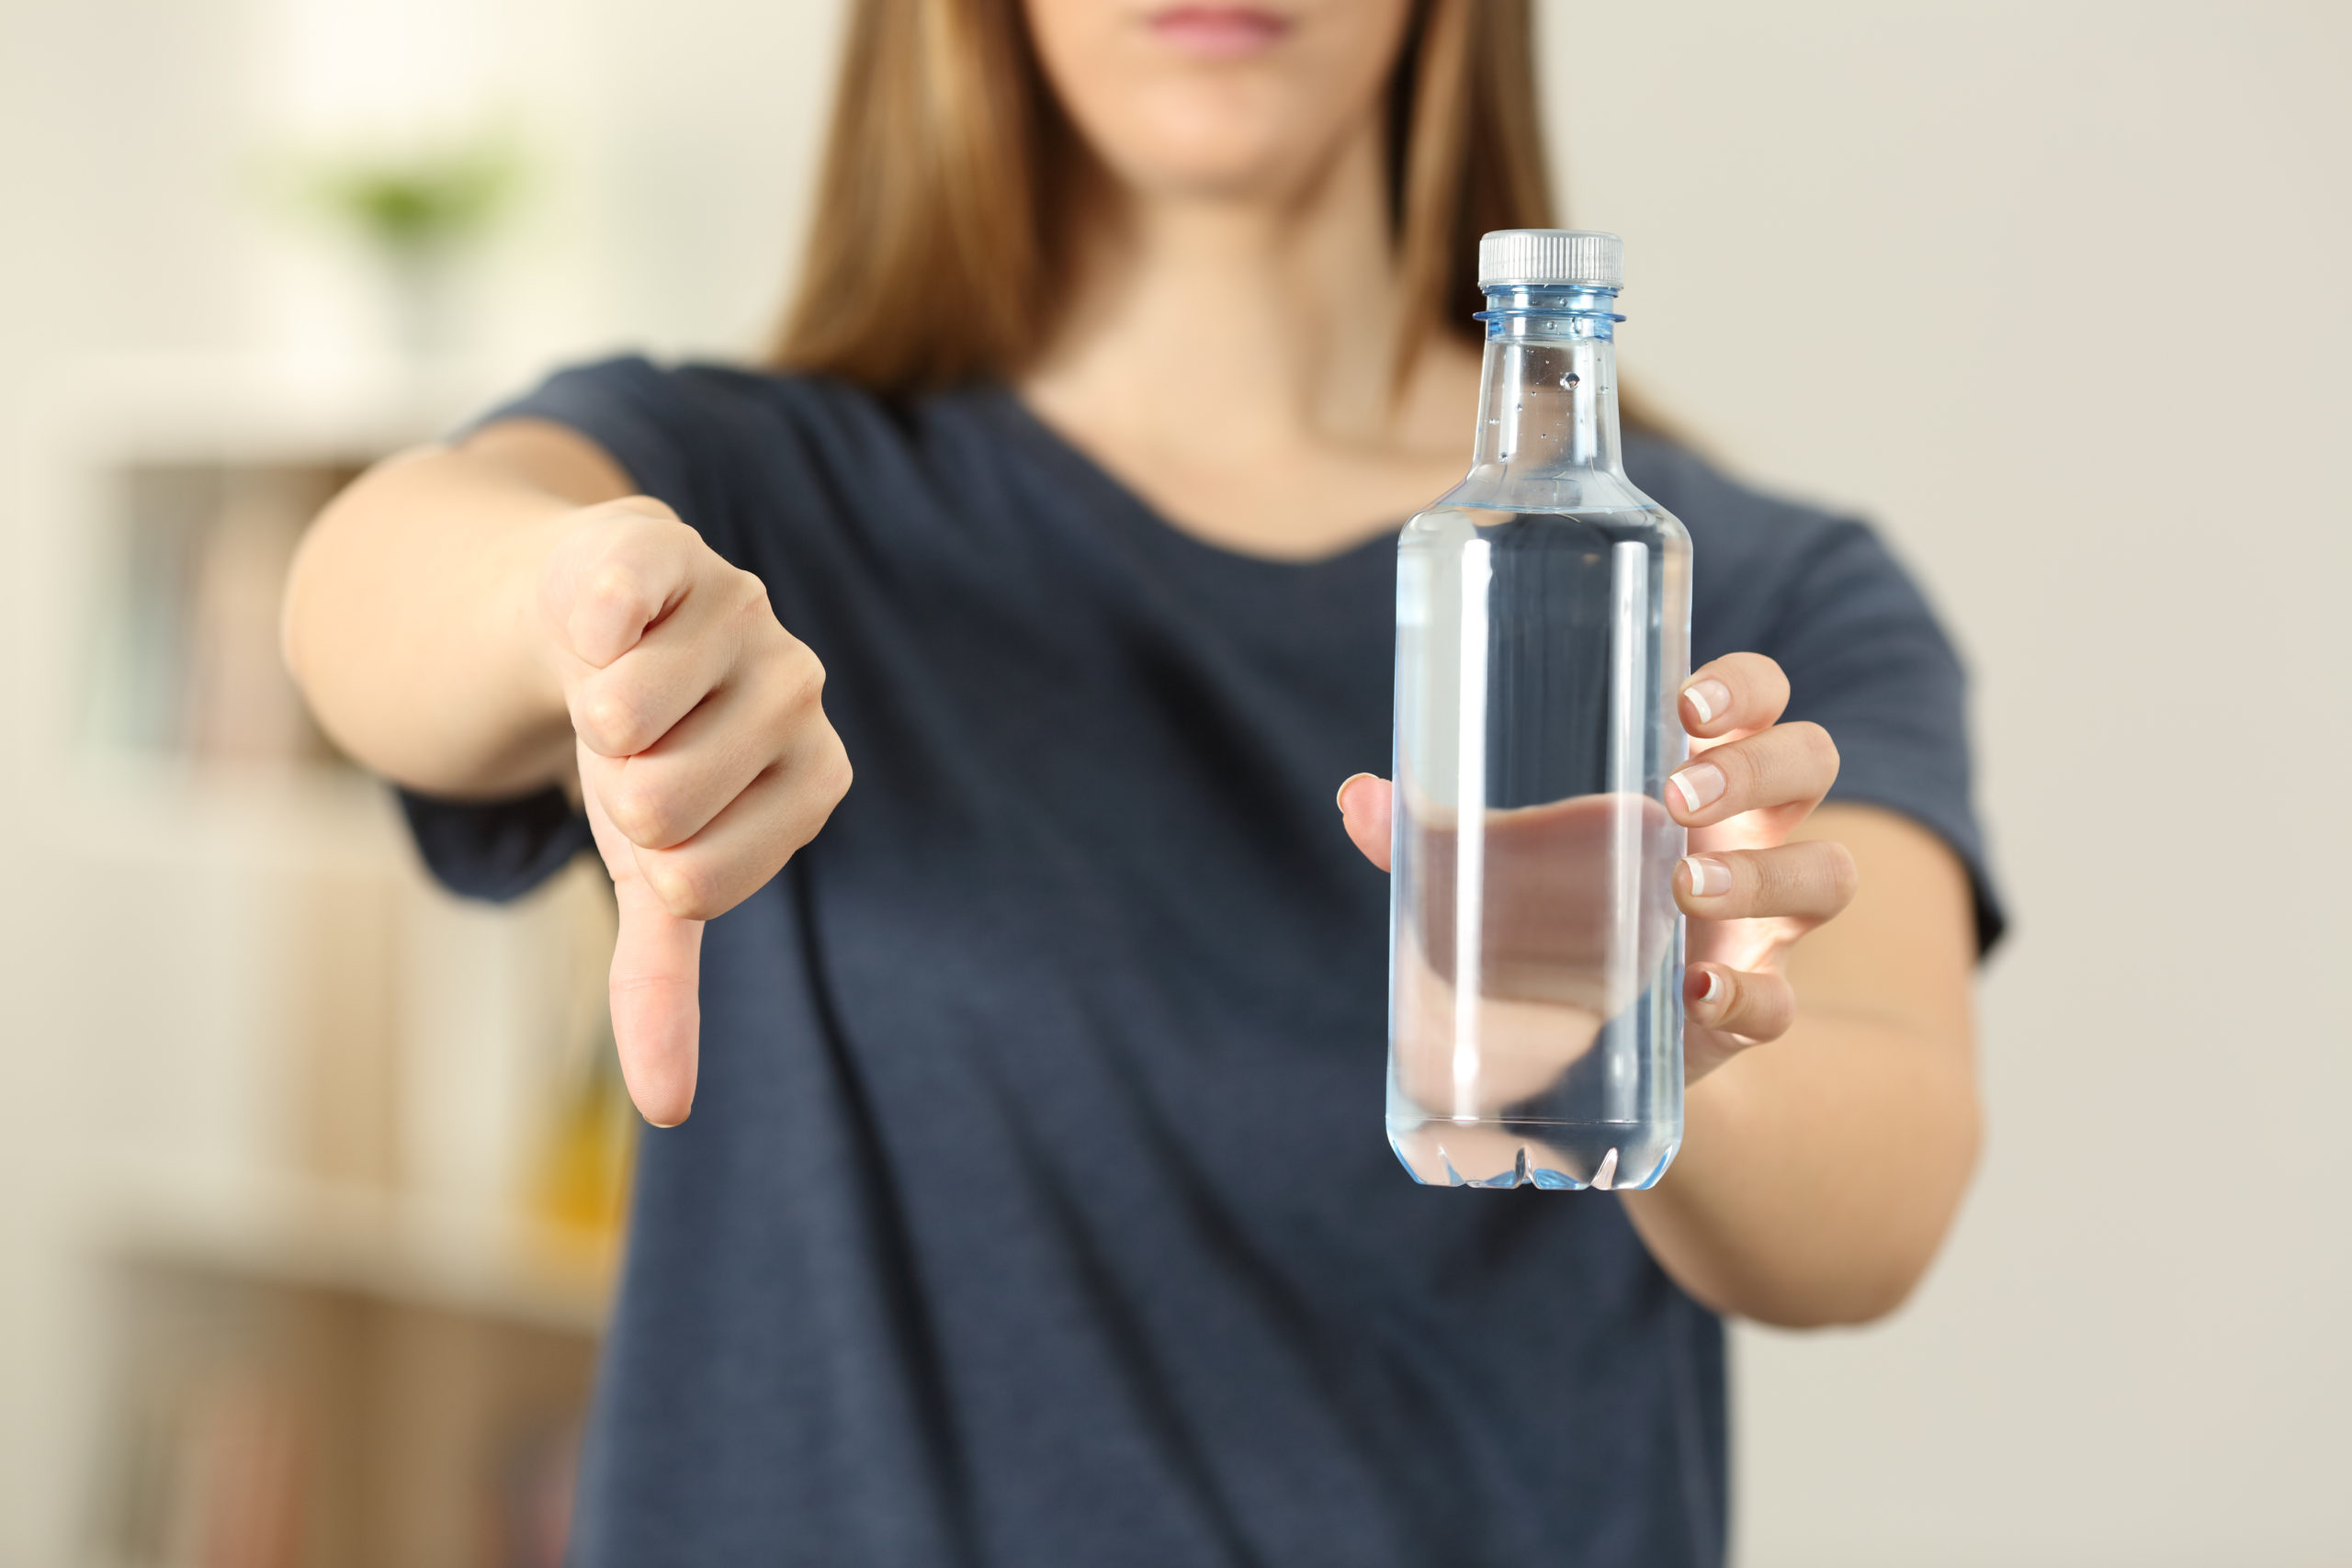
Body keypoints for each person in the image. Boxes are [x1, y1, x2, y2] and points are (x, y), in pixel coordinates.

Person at [283, 2, 2001, 1563]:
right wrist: (575, 607)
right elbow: (365, 587)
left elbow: (1885, 1186)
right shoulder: (743, 488)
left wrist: (1668, 1038)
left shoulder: (1738, 595)